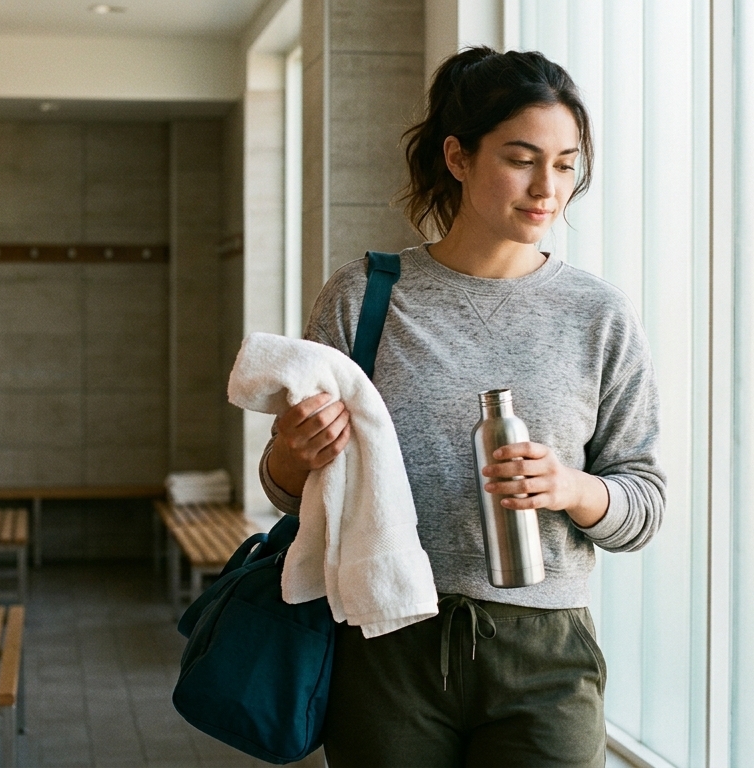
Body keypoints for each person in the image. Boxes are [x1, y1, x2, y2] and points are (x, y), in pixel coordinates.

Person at [259, 46, 666, 767]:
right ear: (457, 156)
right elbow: (293, 495)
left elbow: (643, 505)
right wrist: (293, 454)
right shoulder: (364, 297)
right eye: (521, 158)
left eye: (566, 163)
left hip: (545, 659)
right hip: (387, 641)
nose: (548, 187)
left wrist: (571, 489)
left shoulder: (597, 314)